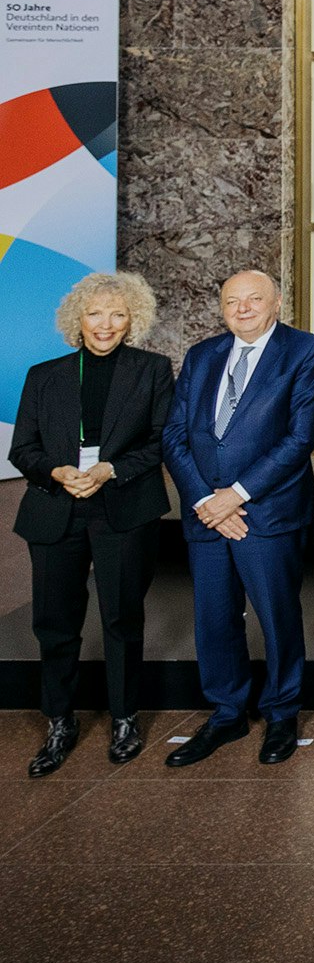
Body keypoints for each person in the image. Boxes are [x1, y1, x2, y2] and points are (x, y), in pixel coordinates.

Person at [161, 270, 314, 767]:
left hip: (267, 512)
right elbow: (173, 435)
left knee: (276, 616)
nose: (243, 308)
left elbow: (299, 439)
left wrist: (233, 496)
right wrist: (204, 502)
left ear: (277, 302)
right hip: (204, 515)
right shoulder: (202, 355)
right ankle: (227, 711)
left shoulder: (303, 350)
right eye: (232, 300)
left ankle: (281, 713)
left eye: (255, 299)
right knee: (213, 618)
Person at [10, 272, 172, 775]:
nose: (106, 324)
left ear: (133, 321)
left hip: (121, 505)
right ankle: (60, 720)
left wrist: (109, 469)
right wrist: (56, 471)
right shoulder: (44, 375)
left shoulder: (153, 370)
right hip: (57, 505)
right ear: (77, 319)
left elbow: (162, 440)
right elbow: (23, 448)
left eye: (118, 314)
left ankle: (125, 717)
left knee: (121, 618)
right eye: (96, 313)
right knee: (54, 623)